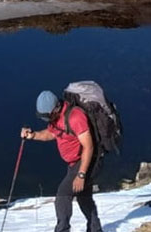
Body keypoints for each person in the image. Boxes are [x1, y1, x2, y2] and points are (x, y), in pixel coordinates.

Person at [20, 90, 103, 232]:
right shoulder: (56, 118)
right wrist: (33, 135)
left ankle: (62, 229)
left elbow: (89, 147)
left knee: (62, 195)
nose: (47, 120)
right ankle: (95, 229)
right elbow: (51, 133)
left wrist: (81, 175)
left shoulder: (76, 117)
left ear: (56, 108)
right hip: (74, 164)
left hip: (87, 161)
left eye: (48, 116)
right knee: (83, 197)